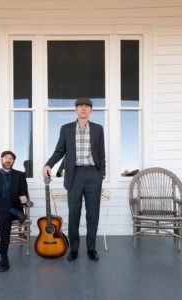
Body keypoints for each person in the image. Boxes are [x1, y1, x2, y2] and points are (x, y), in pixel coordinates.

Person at [42, 97, 106, 262]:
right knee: (74, 213)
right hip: (74, 175)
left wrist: (101, 175)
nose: (83, 109)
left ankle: (91, 248)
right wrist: (48, 164)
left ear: (91, 110)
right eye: (80, 106)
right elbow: (59, 151)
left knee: (93, 214)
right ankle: (74, 249)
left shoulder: (98, 129)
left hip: (93, 175)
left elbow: (101, 154)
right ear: (75, 110)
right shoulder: (66, 129)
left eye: (87, 106)